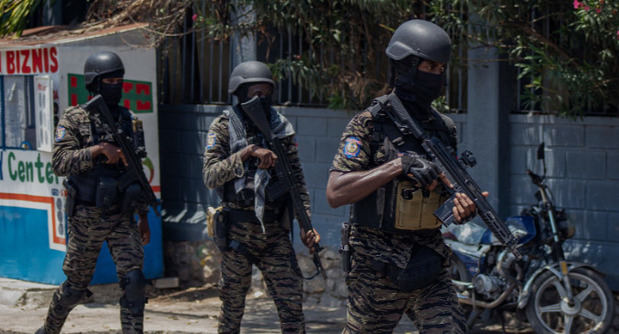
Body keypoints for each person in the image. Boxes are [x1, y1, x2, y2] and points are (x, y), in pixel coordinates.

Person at [327, 20, 482, 334]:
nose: (437, 76)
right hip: (377, 267)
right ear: (407, 66)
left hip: (429, 261)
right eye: (430, 67)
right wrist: (398, 166)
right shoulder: (370, 123)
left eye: (442, 69)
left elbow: (446, 194)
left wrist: (462, 207)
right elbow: (335, 192)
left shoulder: (444, 128)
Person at [36, 51, 151, 334]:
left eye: (119, 80)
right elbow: (59, 163)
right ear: (95, 83)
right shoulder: (75, 118)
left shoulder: (128, 119)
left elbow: (136, 173)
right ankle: (49, 330)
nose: (116, 86)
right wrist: (97, 150)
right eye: (110, 80)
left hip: (121, 216)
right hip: (87, 215)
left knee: (135, 282)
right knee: (75, 287)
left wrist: (143, 216)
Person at [202, 60, 320, 334]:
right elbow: (210, 176)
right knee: (232, 309)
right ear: (241, 94)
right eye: (256, 93)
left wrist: (306, 224)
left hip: (275, 231)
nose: (262, 99)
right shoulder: (223, 127)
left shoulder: (280, 127)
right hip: (237, 232)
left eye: (267, 93)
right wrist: (247, 153)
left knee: (292, 305)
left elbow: (296, 180)